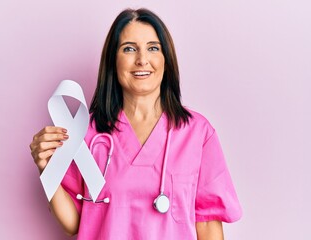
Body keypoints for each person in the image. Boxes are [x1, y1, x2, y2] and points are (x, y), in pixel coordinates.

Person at [30, 8, 242, 240]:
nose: (142, 60)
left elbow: (209, 228)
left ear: (166, 59)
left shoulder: (198, 133)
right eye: (129, 49)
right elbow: (73, 224)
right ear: (113, 60)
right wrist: (47, 168)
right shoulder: (87, 133)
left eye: (153, 48)